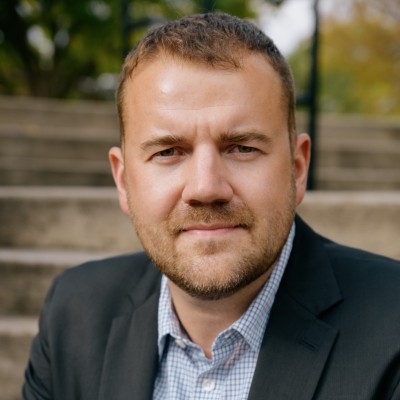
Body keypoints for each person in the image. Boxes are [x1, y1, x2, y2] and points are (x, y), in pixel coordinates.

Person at [23, 12, 400, 400]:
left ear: (298, 168)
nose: (206, 188)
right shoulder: (73, 314)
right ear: (123, 180)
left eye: (242, 148)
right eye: (168, 152)